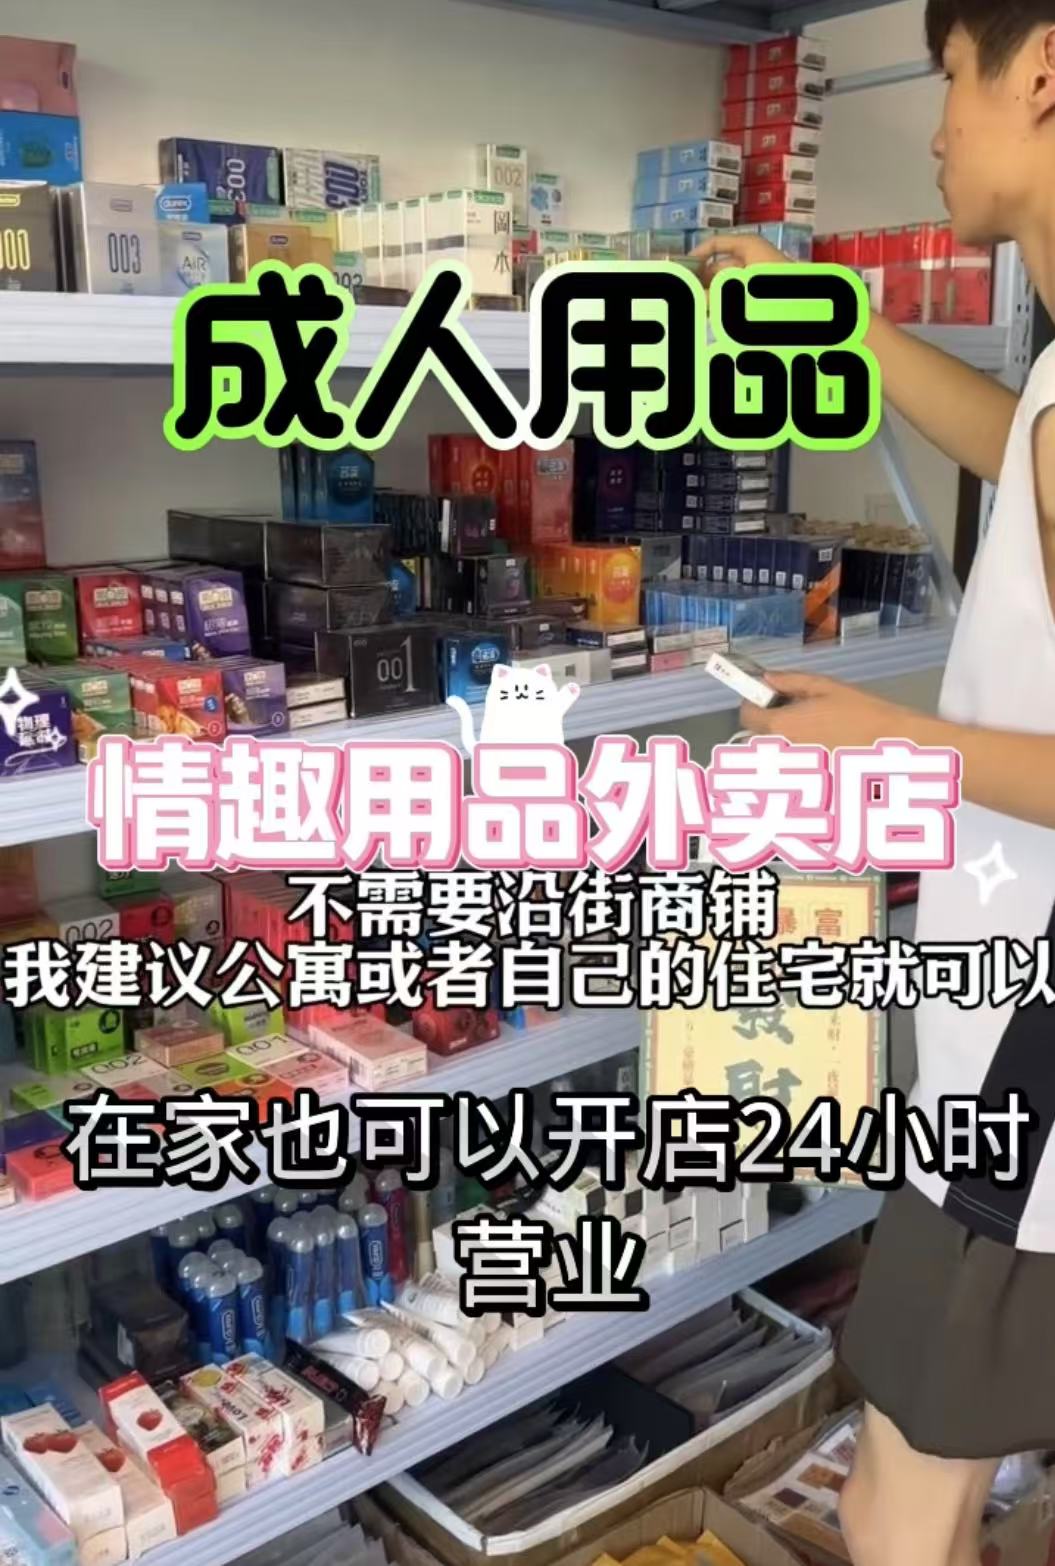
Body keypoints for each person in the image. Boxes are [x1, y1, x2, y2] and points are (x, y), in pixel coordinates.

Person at [696, 5, 1055, 1564]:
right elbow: (1014, 439)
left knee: (897, 1505)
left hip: (1029, 1076)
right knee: (924, 1494)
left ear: (1041, 72)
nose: (935, 123)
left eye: (953, 76)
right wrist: (825, 318)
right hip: (1011, 1044)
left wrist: (883, 742)